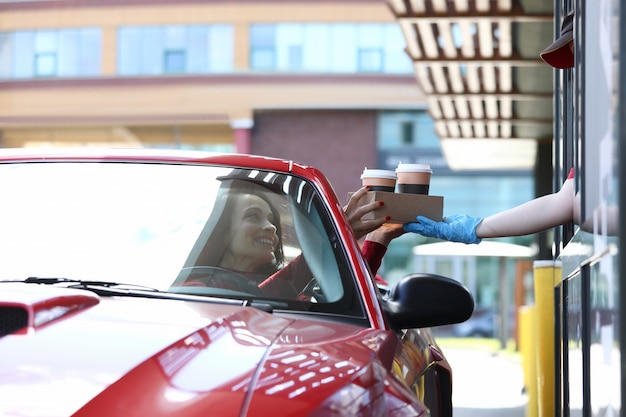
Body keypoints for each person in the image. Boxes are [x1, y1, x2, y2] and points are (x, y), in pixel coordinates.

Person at [178, 180, 396, 298]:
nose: (271, 227)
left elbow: (352, 298)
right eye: (253, 216)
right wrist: (337, 233)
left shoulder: (294, 290)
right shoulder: (193, 291)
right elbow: (259, 301)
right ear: (222, 231)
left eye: (272, 219)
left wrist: (378, 238)